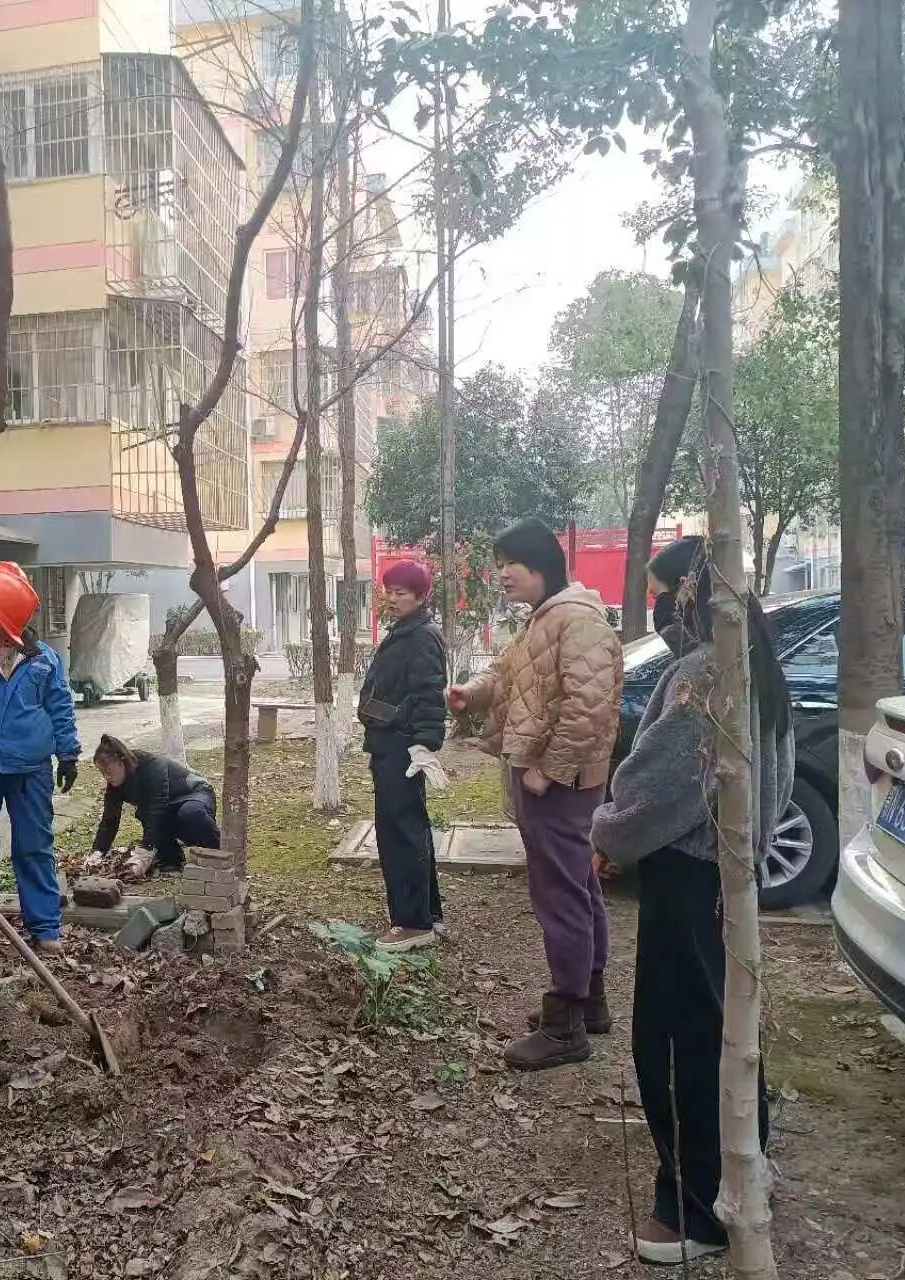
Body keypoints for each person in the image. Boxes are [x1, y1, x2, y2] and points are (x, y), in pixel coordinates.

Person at [590, 535, 788, 1265]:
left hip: (690, 872)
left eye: (660, 590)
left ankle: (697, 1210)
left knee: (677, 1041)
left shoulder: (705, 673)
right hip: (729, 876)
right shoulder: (755, 661)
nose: (652, 603)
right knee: (725, 1028)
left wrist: (610, 836)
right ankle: (743, 1169)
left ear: (688, 593)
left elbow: (659, 785)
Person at [447, 517, 623, 1071]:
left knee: (560, 895)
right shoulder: (545, 618)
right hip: (547, 777)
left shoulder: (577, 619)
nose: (500, 575)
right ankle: (589, 1001)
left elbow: (589, 707)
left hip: (558, 784)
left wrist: (549, 769)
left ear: (539, 564)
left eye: (508, 564)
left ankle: (565, 1024)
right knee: (576, 885)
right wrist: (469, 695)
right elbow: (508, 675)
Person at [0, 563, 81, 955]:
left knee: (34, 845)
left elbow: (60, 705)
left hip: (30, 768)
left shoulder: (43, 659)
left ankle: (44, 926)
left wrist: (69, 753)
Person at [356, 559, 449, 952]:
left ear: (421, 596)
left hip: (403, 746)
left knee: (400, 833)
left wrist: (424, 744)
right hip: (390, 741)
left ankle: (412, 923)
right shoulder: (405, 631)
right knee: (409, 827)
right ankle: (426, 914)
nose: (393, 599)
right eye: (389, 592)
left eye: (402, 593)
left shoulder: (421, 636)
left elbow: (431, 694)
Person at [89, 733, 219, 870]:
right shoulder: (114, 786)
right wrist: (98, 852)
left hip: (196, 794)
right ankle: (172, 858)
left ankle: (218, 851)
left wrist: (146, 846)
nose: (106, 777)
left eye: (108, 770)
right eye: (102, 772)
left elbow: (158, 804)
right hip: (171, 806)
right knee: (144, 813)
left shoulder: (152, 764)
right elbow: (110, 820)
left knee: (190, 813)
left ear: (121, 760)